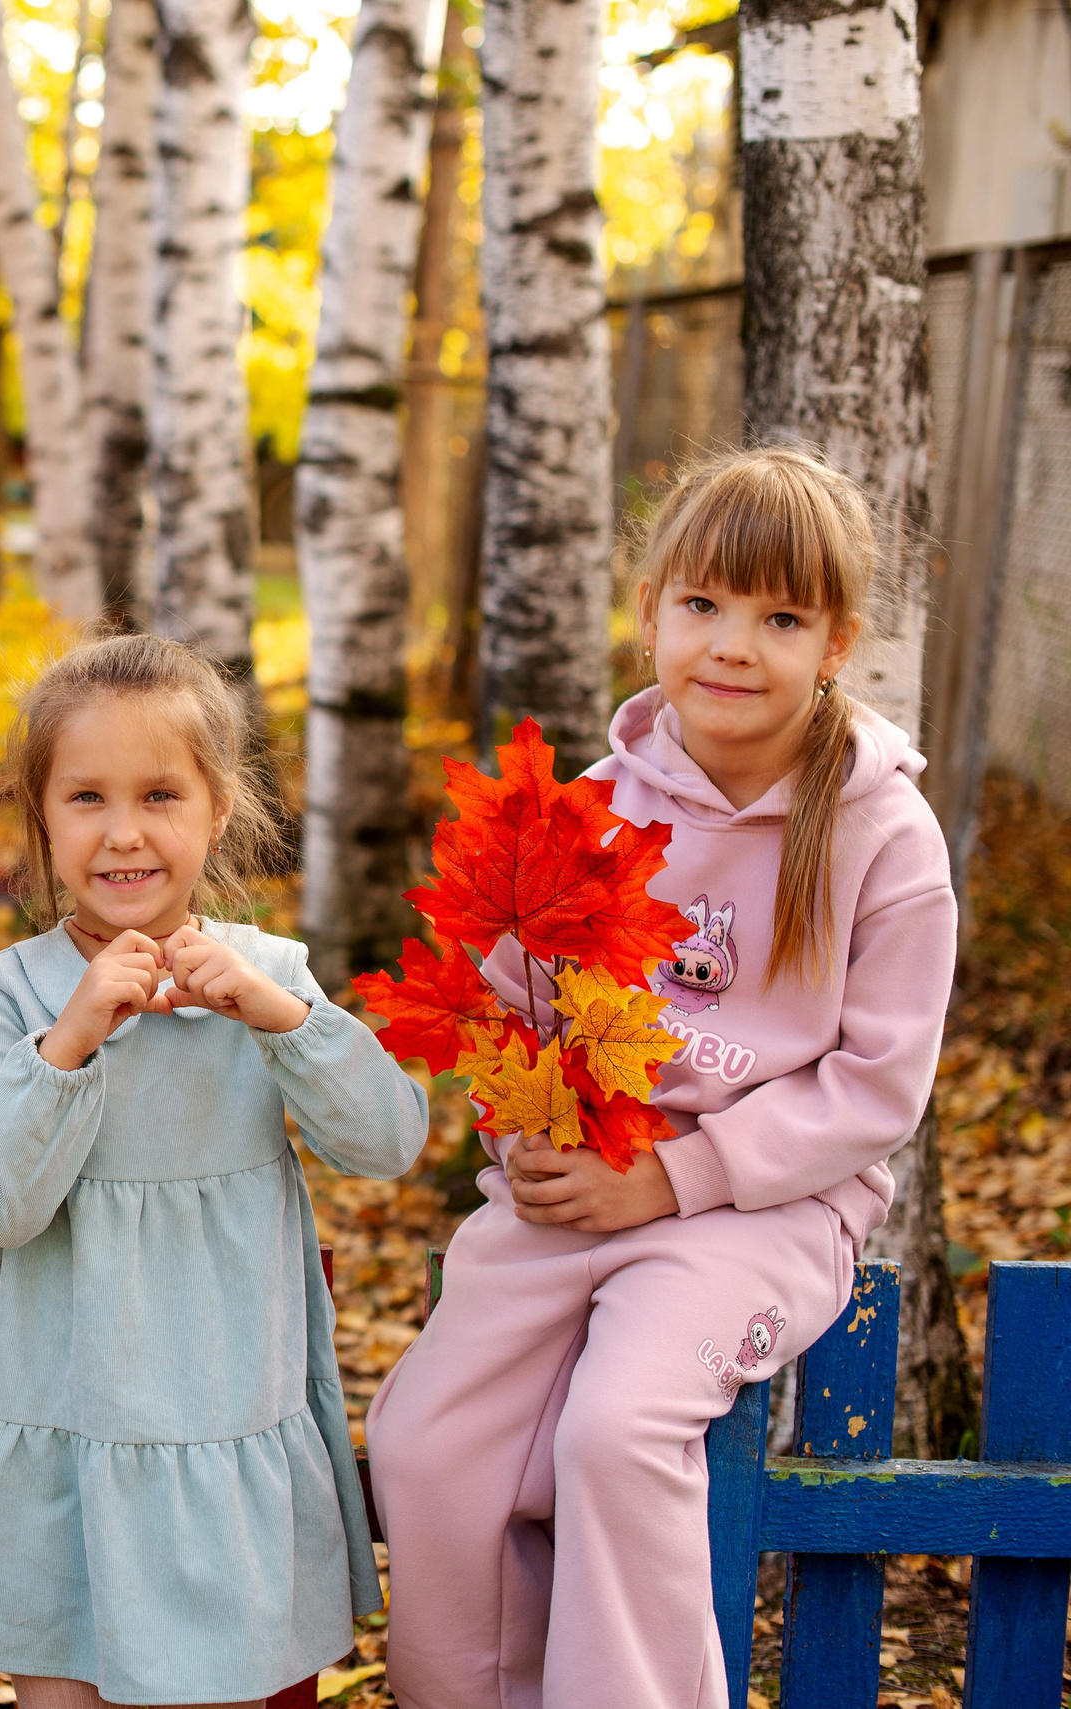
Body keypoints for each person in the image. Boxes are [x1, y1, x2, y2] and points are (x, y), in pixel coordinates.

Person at [367, 446, 959, 1709]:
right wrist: (521, 1122)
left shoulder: (882, 831)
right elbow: (511, 1003)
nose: (734, 645)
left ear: (835, 641)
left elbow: (876, 1088)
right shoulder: (589, 804)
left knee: (614, 1433)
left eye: (779, 615)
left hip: (762, 1205)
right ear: (648, 618)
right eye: (702, 604)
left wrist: (677, 1178)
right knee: (425, 1447)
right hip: (583, 1176)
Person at [0, 633, 428, 1709]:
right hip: (56, 1429)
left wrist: (278, 1017)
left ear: (216, 808)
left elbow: (387, 1142)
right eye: (85, 797)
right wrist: (72, 1040)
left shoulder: (269, 976)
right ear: (41, 815)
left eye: (160, 794)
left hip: (216, 1429)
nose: (122, 832)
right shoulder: (11, 992)